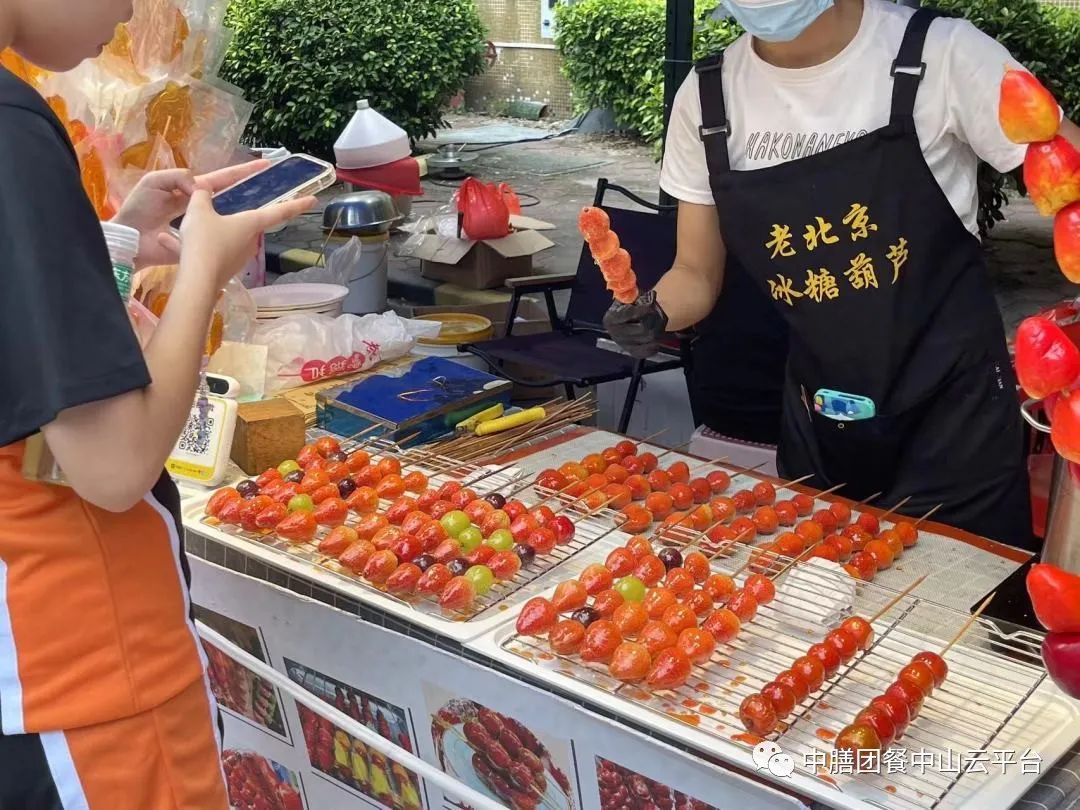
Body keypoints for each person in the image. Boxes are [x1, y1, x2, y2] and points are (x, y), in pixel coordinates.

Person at [605, 0, 1080, 550]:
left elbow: (1066, 172)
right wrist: (653, 310)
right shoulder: (707, 96)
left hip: (957, 423)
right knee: (822, 607)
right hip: (823, 418)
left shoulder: (944, 55)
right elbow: (695, 273)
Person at [0, 2, 314, 807]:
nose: (136, 10)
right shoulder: (12, 131)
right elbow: (115, 465)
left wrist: (111, 239)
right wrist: (205, 270)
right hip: (84, 662)